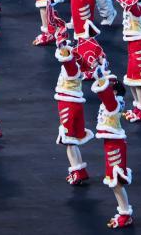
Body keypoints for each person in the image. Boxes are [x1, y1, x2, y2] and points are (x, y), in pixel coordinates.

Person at [90, 63, 135, 228]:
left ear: (114, 92)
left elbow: (105, 94)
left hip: (115, 145)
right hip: (112, 143)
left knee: (116, 182)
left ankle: (125, 214)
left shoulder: (113, 104)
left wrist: (101, 77)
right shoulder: (114, 103)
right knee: (115, 182)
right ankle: (124, 212)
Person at [54, 40, 95, 184]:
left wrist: (62, 47)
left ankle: (76, 172)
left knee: (69, 141)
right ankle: (80, 170)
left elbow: (66, 59)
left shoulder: (72, 67)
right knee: (73, 140)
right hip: (74, 104)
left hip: (68, 105)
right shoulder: (77, 67)